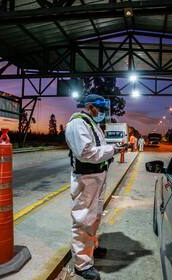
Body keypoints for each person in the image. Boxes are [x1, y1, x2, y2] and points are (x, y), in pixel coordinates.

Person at [65, 94, 125, 280]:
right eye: (100, 108)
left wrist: (115, 147)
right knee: (84, 219)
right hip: (87, 178)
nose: (103, 112)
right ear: (90, 106)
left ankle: (91, 247)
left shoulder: (92, 123)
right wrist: (114, 149)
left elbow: (99, 148)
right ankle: (82, 265)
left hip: (98, 176)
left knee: (95, 215)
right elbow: (86, 153)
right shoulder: (78, 123)